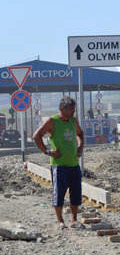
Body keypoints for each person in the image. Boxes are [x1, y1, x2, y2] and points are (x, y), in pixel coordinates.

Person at [33, 96, 85, 230]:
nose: (73, 111)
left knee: (76, 193)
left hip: (74, 164)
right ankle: (60, 221)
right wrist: (47, 151)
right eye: (71, 109)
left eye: (74, 109)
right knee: (59, 193)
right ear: (62, 109)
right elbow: (36, 136)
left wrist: (80, 147)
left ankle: (74, 220)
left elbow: (80, 134)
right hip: (59, 165)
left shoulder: (73, 121)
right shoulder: (52, 121)